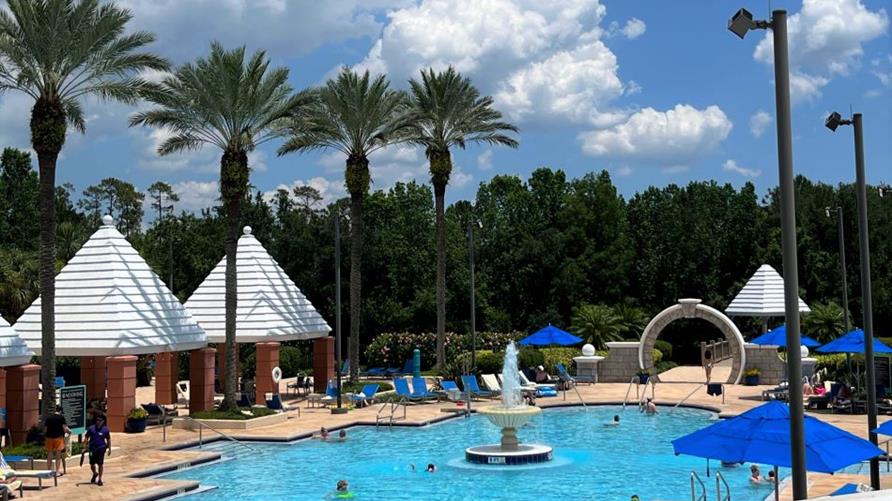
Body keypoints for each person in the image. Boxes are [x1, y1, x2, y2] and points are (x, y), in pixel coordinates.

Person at [84, 415, 111, 486]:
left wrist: (109, 448)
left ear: (103, 422)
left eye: (100, 421)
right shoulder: (91, 428)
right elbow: (86, 437)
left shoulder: (106, 429)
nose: (98, 422)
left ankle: (100, 479)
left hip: (101, 448)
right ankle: (95, 473)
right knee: (92, 463)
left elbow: (108, 439)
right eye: (97, 420)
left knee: (100, 464)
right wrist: (85, 446)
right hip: (92, 449)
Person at [44, 405, 70, 476]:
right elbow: (65, 428)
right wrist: (68, 432)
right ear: (60, 411)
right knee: (58, 455)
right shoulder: (61, 418)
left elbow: (45, 429)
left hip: (49, 438)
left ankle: (48, 471)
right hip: (58, 438)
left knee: (49, 454)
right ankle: (57, 471)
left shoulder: (48, 418)